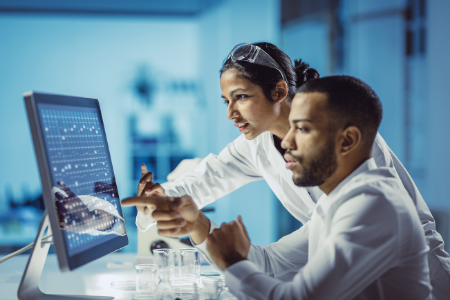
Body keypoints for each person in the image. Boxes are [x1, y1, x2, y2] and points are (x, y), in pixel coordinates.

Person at [128, 43, 450, 298]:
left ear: (280, 92)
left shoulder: (364, 192)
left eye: (240, 97)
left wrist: (231, 260)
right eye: (226, 100)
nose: (288, 146)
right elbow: (204, 186)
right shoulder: (324, 206)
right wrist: (179, 214)